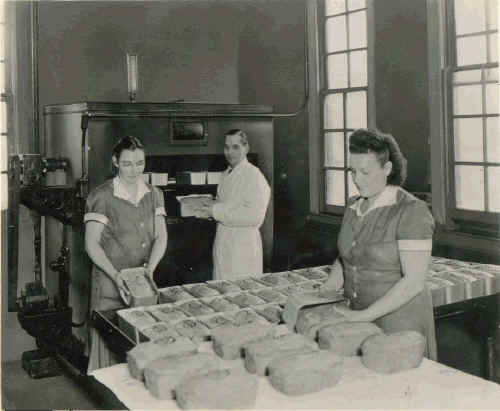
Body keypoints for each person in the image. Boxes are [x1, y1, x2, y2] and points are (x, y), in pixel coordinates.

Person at [320, 128, 437, 359]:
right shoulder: (354, 205)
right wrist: (326, 289)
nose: (356, 179)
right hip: (360, 319)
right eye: (352, 171)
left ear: (387, 169)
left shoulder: (411, 211)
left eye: (365, 172)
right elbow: (347, 256)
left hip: (399, 325)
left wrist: (362, 316)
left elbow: (414, 282)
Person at [84, 136, 167, 373]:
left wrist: (150, 269)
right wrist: (116, 275)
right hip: (110, 286)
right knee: (109, 352)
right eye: (128, 163)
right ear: (115, 162)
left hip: (142, 286)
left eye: (140, 163)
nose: (134, 170)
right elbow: (91, 244)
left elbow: (161, 236)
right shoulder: (102, 197)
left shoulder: (154, 193)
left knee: (139, 350)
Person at [199, 129, 271, 280]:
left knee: (241, 294)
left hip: (242, 248)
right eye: (226, 147)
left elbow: (254, 217)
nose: (230, 152)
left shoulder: (254, 176)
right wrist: (208, 210)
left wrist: (215, 211)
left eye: (236, 147)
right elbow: (225, 204)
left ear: (246, 148)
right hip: (224, 242)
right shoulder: (226, 174)